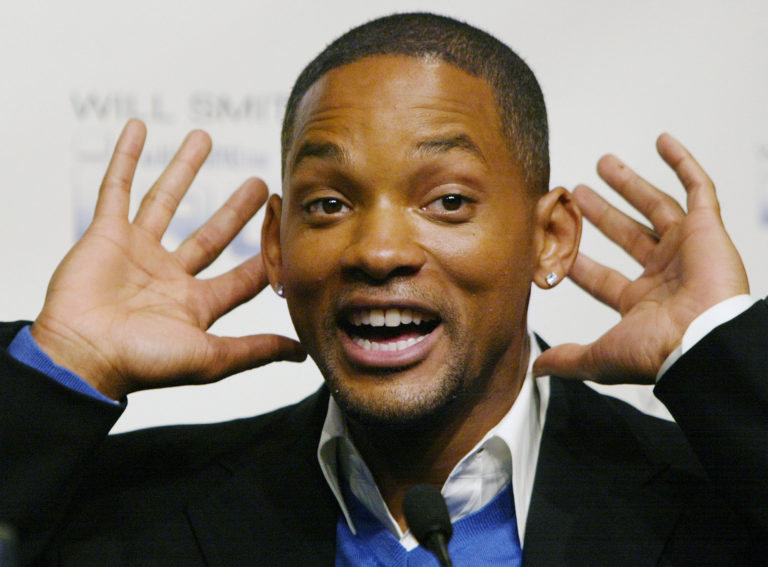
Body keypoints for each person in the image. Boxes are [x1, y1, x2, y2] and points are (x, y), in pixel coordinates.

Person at [1, 12, 766, 566]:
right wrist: (63, 360)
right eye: (329, 204)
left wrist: (723, 348)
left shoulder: (715, 498)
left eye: (447, 201)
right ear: (276, 247)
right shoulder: (123, 513)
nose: (377, 250)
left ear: (550, 238)